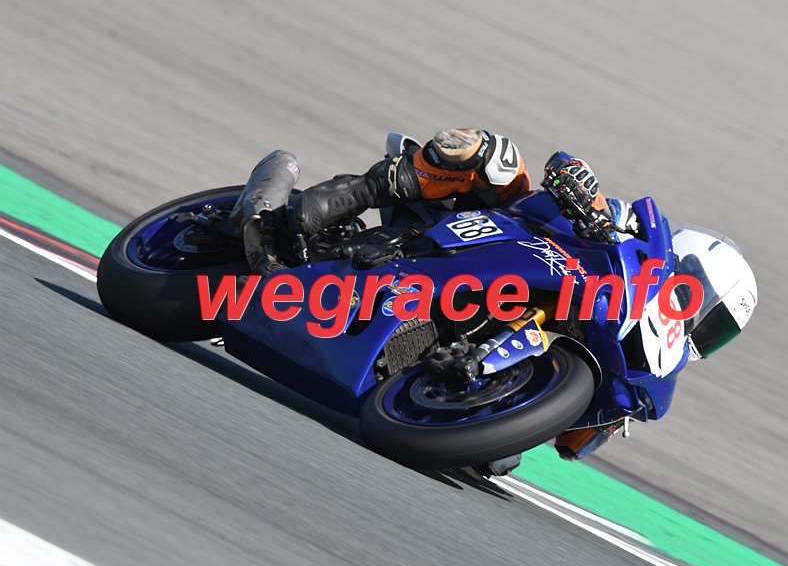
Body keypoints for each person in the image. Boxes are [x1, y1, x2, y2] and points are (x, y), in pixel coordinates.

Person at [229, 128, 636, 479]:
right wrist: (586, 201)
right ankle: (290, 220)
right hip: (475, 233)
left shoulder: (613, 366)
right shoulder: (610, 230)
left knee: (496, 462)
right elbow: (565, 167)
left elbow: (569, 444)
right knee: (496, 159)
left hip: (449, 366)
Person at [229, 128, 619, 276]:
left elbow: (573, 433)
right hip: (479, 222)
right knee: (494, 159)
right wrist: (597, 215)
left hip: (497, 282)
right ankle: (277, 224)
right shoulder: (618, 234)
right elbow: (569, 169)